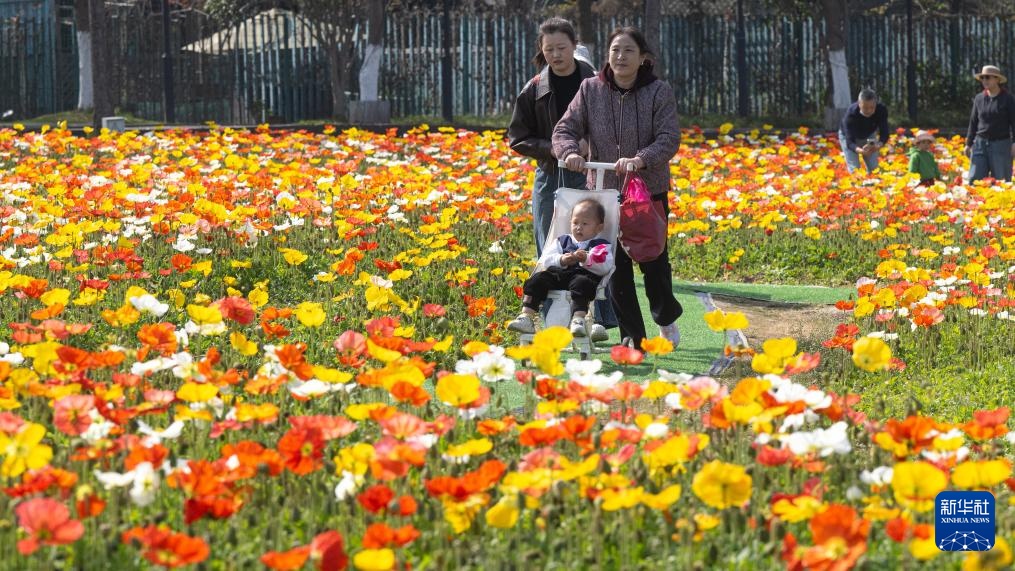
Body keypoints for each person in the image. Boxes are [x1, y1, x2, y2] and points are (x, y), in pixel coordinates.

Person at [552, 26, 682, 350]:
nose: (620, 57)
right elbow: (565, 128)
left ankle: (665, 317)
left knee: (654, 266)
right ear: (607, 56)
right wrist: (569, 152)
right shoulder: (590, 89)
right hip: (605, 193)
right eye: (615, 51)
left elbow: (669, 138)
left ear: (642, 58)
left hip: (647, 193)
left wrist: (641, 159)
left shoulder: (658, 91)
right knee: (614, 268)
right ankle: (633, 339)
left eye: (628, 51)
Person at [507, 17, 615, 342]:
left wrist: (588, 146)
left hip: (589, 177)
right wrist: (555, 150)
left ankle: (599, 322)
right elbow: (517, 136)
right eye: (549, 49)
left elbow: (611, 126)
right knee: (552, 248)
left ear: (574, 46)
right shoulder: (535, 88)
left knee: (599, 245)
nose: (556, 54)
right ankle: (549, 323)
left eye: (562, 48)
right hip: (550, 177)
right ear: (542, 50)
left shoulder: (596, 83)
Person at [507, 199, 615, 338]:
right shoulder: (562, 240)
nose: (578, 227)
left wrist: (586, 259)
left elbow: (605, 266)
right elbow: (545, 258)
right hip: (560, 275)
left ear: (599, 228)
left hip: (583, 276)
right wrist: (561, 259)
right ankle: (526, 316)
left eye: (585, 224)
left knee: (582, 283)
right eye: (575, 222)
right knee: (538, 278)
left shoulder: (600, 246)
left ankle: (578, 319)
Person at [964, 65, 1015, 182]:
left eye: (988, 77)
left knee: (1001, 182)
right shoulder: (979, 98)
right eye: (982, 78)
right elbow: (973, 122)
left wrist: (1014, 143)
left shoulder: (1008, 99)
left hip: (1001, 144)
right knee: (975, 180)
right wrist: (968, 143)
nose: (984, 80)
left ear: (997, 79)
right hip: (980, 144)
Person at [838, 89, 889, 174]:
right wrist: (860, 151)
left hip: (869, 134)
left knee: (874, 167)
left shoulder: (881, 110)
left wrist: (878, 145)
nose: (868, 111)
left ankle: (873, 185)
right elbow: (849, 141)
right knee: (855, 169)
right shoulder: (851, 114)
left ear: (876, 103)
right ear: (859, 103)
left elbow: (885, 133)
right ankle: (856, 186)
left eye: (872, 107)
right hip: (849, 137)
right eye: (865, 107)